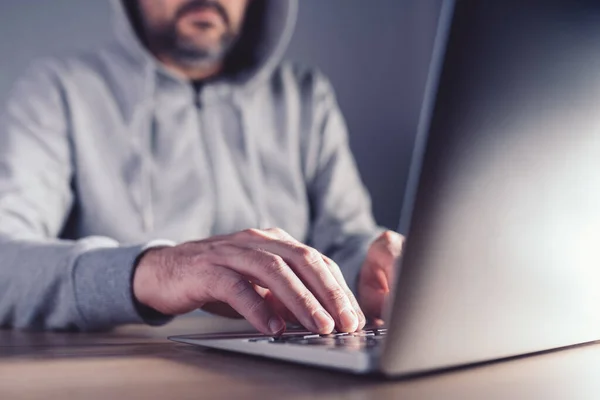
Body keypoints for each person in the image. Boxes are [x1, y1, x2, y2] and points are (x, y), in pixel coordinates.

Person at [0, 0, 404, 335]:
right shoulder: (57, 89)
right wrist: (152, 271)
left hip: (285, 358)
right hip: (125, 367)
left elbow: (345, 240)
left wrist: (371, 267)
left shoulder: (304, 95)